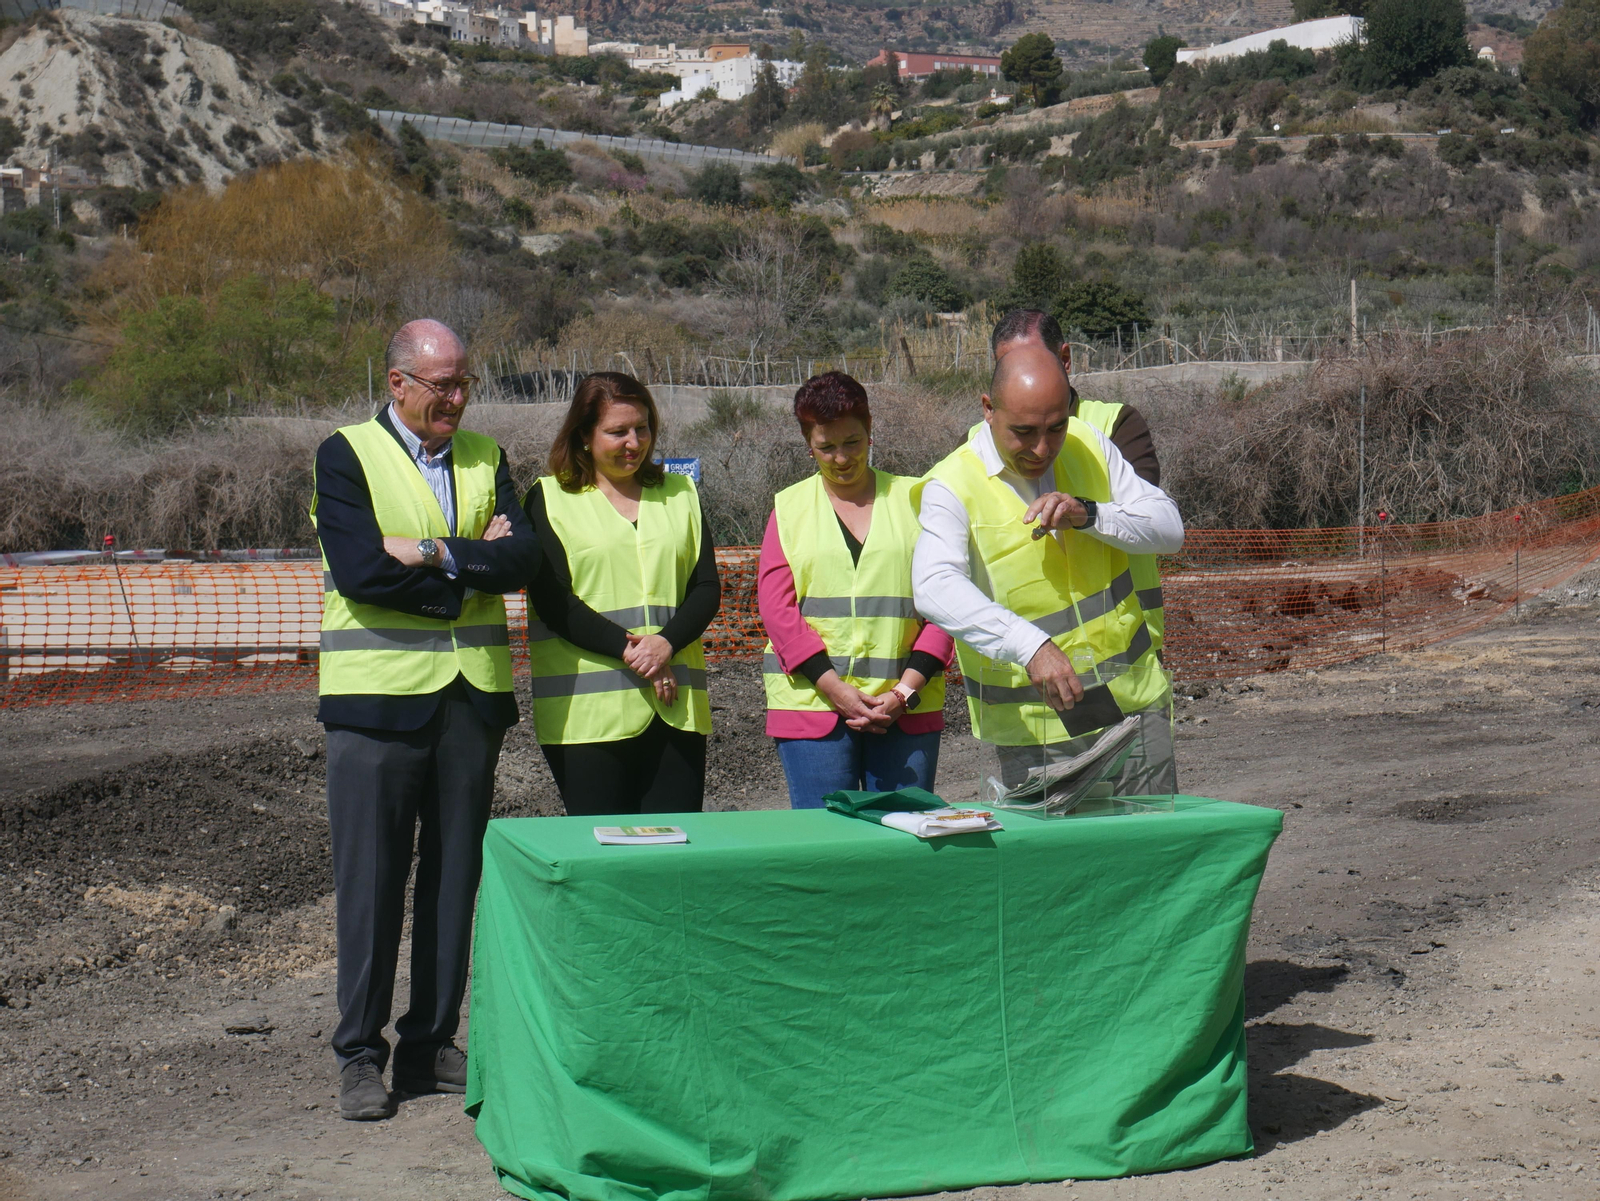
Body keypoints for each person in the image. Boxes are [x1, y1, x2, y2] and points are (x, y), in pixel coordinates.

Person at [313, 319, 541, 1121]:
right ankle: (357, 1055)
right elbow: (362, 569)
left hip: (468, 700)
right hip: (376, 703)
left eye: (463, 381)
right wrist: (470, 559)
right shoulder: (346, 455)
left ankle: (430, 1043)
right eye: (441, 383)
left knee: (454, 878)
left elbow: (524, 559)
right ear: (397, 382)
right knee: (371, 883)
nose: (456, 396)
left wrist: (435, 552)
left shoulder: (486, 457)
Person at [911, 344, 1185, 794]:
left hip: (1133, 706)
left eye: (1056, 427)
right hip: (1037, 733)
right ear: (987, 409)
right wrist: (1030, 645)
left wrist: (1092, 515)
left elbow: (1169, 529)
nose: (1043, 448)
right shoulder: (951, 485)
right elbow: (934, 585)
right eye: (1024, 432)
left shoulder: (1088, 442)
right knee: (1059, 865)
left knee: (1152, 857)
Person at [522, 372, 721, 815]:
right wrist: (639, 655)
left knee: (673, 855)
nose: (634, 442)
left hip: (675, 711)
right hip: (588, 720)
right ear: (584, 435)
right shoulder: (548, 499)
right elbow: (555, 604)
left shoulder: (680, 493)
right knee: (604, 861)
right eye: (617, 432)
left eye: (643, 428)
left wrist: (665, 644)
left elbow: (706, 587)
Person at [758, 372, 954, 808]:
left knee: (905, 839)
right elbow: (777, 610)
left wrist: (903, 692)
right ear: (808, 444)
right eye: (826, 447)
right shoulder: (787, 509)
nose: (842, 458)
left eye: (853, 442)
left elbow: (946, 604)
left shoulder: (916, 499)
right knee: (825, 849)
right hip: (812, 707)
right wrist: (834, 688)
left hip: (904, 710)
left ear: (870, 433)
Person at [992, 307, 1167, 649]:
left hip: (1125, 650)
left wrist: (1084, 512)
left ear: (1066, 360)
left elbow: (1155, 522)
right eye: (1006, 367)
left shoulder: (1115, 424)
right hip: (1025, 662)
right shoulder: (972, 448)